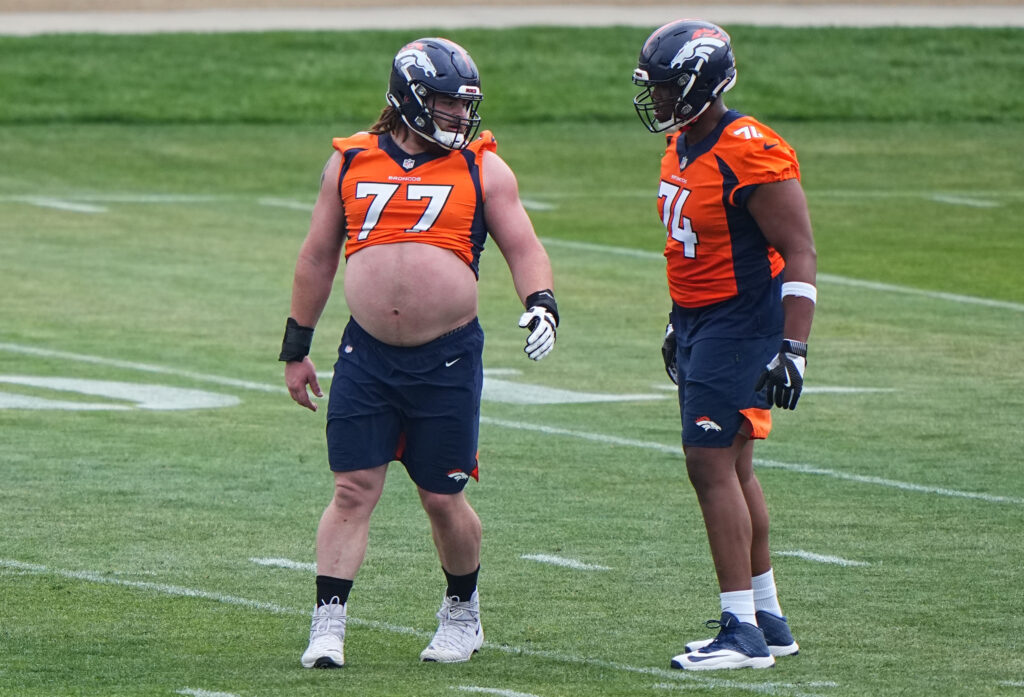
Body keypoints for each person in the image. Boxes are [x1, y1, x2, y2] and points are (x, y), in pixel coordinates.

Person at [280, 36, 559, 668]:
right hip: (367, 354)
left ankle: (462, 610)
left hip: (448, 357)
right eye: (445, 103)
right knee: (352, 488)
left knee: (443, 495)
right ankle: (329, 622)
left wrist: (542, 300)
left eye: (465, 105)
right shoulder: (351, 160)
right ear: (409, 97)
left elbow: (523, 245)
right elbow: (318, 256)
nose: (460, 117)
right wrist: (297, 347)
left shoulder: (483, 166)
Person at [631, 20, 817, 670]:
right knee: (734, 468)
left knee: (709, 466)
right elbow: (699, 248)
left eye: (665, 87)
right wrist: (675, 319)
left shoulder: (749, 148)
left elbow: (799, 251)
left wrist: (793, 346)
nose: (656, 99)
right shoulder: (684, 142)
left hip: (740, 322)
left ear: (700, 85)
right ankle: (766, 615)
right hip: (702, 321)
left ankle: (740, 630)